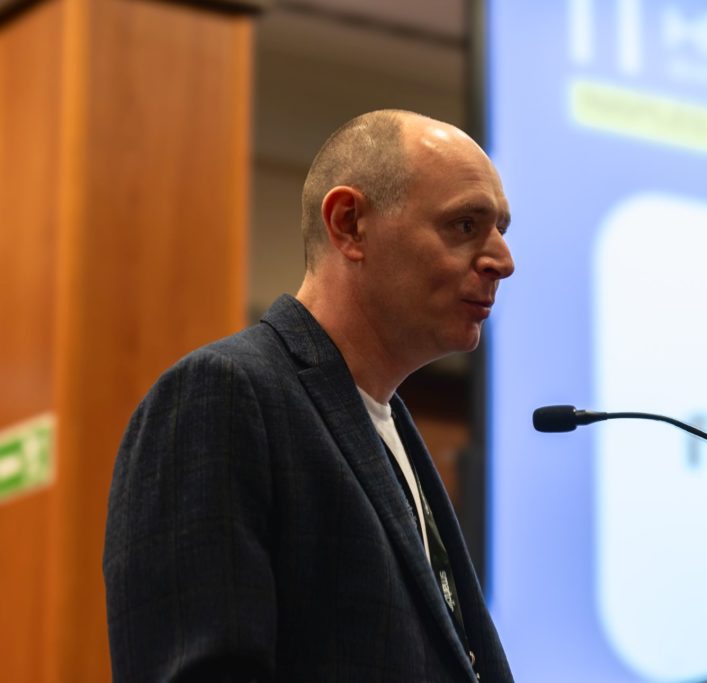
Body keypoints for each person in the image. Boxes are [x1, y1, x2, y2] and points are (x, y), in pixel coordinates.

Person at [103, 110, 516, 682]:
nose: (503, 262)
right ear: (349, 225)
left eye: (501, 229)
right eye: (465, 225)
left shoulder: (393, 429)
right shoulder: (224, 394)